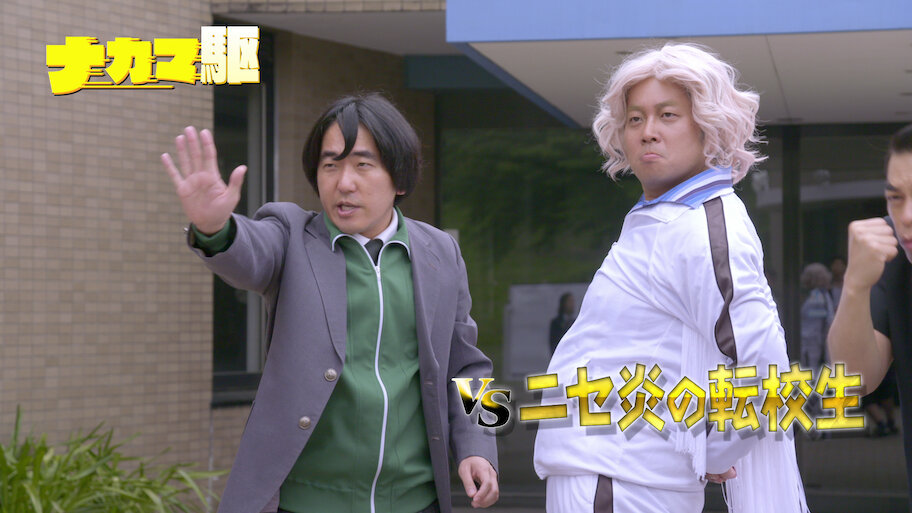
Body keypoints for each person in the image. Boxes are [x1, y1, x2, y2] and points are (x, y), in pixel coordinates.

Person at [160, 93, 499, 513]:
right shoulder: (290, 236)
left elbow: (471, 367)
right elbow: (248, 253)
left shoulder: (440, 251)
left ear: (400, 179)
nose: (344, 183)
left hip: (416, 501)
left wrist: (482, 446)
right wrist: (214, 228)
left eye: (363, 165)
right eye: (330, 165)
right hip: (305, 501)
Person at [533, 43, 807, 513]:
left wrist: (713, 451)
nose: (648, 132)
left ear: (708, 124)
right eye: (635, 119)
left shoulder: (701, 225)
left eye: (668, 115)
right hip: (612, 474)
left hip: (623, 479)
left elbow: (766, 372)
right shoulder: (669, 215)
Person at [828, 123, 912, 502]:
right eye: (895, 198)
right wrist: (855, 286)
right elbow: (856, 379)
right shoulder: (894, 260)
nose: (905, 216)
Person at [799, 262, 835, 433]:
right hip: (819, 348)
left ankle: (817, 425)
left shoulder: (817, 298)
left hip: (813, 349)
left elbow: (815, 328)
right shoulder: (823, 296)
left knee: (813, 386)